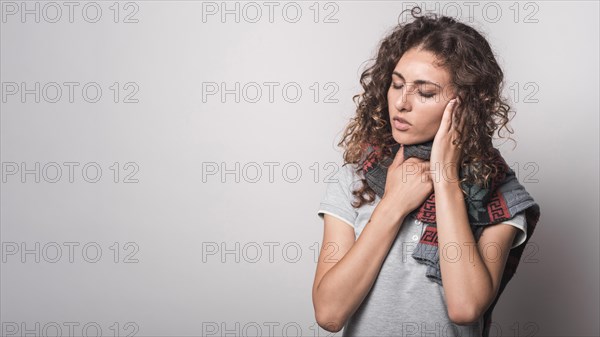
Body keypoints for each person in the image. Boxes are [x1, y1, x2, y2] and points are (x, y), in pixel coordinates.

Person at [311, 7, 541, 337]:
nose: (401, 103)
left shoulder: (499, 193)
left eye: (425, 92)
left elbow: (465, 308)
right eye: (396, 84)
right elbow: (330, 313)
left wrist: (445, 176)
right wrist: (393, 203)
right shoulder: (357, 178)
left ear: (465, 104)